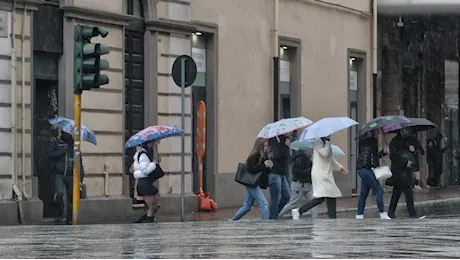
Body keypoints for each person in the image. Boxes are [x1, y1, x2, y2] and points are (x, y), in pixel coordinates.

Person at [291, 136, 348, 220]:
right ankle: (332, 216)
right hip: (320, 174)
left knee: (324, 197)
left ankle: (300, 211)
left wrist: (340, 167)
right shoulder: (318, 141)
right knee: (328, 195)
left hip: (325, 173)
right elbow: (325, 153)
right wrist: (328, 143)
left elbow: (330, 158)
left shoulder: (325, 143)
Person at [386, 129, 425, 219]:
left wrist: (413, 150)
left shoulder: (410, 140)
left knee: (401, 192)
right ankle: (411, 213)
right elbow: (393, 156)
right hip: (399, 171)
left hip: (406, 171)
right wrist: (404, 162)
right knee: (403, 192)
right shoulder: (395, 141)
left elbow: (421, 152)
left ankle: (392, 212)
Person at [49, 131, 85, 225]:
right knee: (59, 193)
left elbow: (79, 160)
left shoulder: (74, 145)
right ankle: (59, 213)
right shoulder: (57, 143)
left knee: (71, 197)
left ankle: (69, 218)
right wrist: (61, 151)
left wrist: (81, 175)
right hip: (59, 173)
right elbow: (50, 155)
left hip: (71, 174)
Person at [355, 129, 391, 220]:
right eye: (376, 131)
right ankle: (382, 213)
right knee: (379, 190)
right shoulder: (372, 142)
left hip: (361, 168)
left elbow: (371, 155)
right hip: (367, 169)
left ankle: (359, 214)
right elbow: (373, 158)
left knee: (364, 193)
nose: (378, 133)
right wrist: (376, 165)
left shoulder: (363, 142)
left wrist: (383, 152)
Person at [232, 138, 271, 220]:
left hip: (254, 183)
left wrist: (268, 166)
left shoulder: (264, 156)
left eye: (267, 146)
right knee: (264, 204)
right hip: (251, 183)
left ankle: (233, 220)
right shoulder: (254, 156)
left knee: (247, 206)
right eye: (264, 146)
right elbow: (251, 169)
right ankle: (266, 223)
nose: (266, 148)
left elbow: (263, 170)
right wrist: (264, 166)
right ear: (260, 146)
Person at [278, 149, 318, 219]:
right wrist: (311, 169)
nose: (312, 152)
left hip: (307, 185)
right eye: (311, 150)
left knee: (313, 202)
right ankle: (279, 216)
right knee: (292, 204)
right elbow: (298, 173)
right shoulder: (300, 159)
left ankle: (315, 218)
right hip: (299, 185)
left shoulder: (307, 159)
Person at [133, 141, 162, 223]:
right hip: (145, 183)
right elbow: (145, 170)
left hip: (144, 183)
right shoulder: (143, 155)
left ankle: (141, 221)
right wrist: (154, 163)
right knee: (152, 207)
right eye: (150, 143)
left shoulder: (142, 154)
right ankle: (146, 223)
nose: (151, 145)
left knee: (153, 206)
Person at [267, 134, 291, 219]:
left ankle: (276, 214)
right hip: (274, 173)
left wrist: (287, 147)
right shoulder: (273, 140)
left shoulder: (285, 140)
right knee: (276, 197)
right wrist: (284, 145)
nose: (291, 132)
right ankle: (273, 217)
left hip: (282, 173)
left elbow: (287, 158)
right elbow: (276, 155)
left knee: (287, 195)